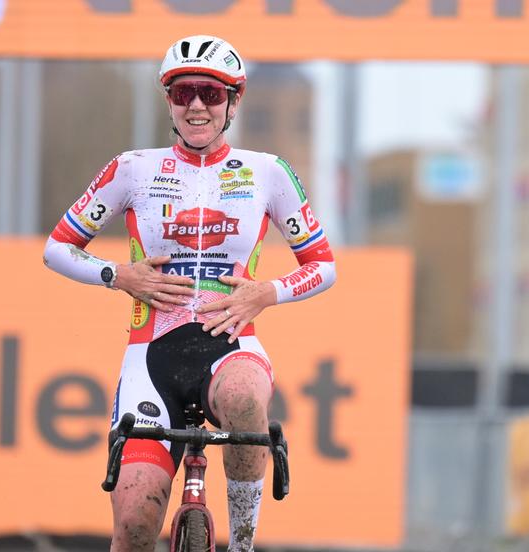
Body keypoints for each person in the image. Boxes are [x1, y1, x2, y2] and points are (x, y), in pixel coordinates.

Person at [43, 35, 336, 552]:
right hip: (151, 356)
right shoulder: (132, 168)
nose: (197, 105)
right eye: (183, 93)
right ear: (169, 101)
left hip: (232, 347)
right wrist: (119, 275)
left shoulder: (268, 172)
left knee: (245, 400)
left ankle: (241, 543)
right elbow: (57, 249)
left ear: (233, 102)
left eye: (211, 93)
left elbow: (323, 266)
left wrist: (266, 292)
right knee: (135, 526)